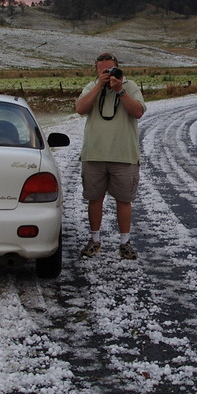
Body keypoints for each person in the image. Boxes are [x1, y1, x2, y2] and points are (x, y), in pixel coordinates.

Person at [75, 52, 147, 259]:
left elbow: (138, 112)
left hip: (124, 155)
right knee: (94, 198)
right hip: (94, 154)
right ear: (96, 70)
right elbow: (80, 108)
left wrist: (120, 90)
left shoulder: (129, 86)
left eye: (110, 70)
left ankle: (125, 243)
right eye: (102, 70)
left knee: (124, 200)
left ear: (118, 68)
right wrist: (99, 86)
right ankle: (94, 240)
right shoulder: (92, 87)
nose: (107, 74)